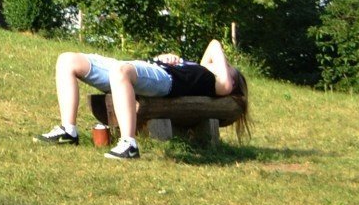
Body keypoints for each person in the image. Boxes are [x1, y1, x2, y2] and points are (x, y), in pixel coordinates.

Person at [39, 39, 247, 159]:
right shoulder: (200, 68)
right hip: (149, 68)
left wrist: (224, 62)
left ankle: (129, 144)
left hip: (166, 80)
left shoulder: (218, 83)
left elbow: (214, 45)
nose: (224, 66)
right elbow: (208, 53)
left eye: (229, 69)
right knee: (67, 60)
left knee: (122, 72)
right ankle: (68, 131)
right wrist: (173, 59)